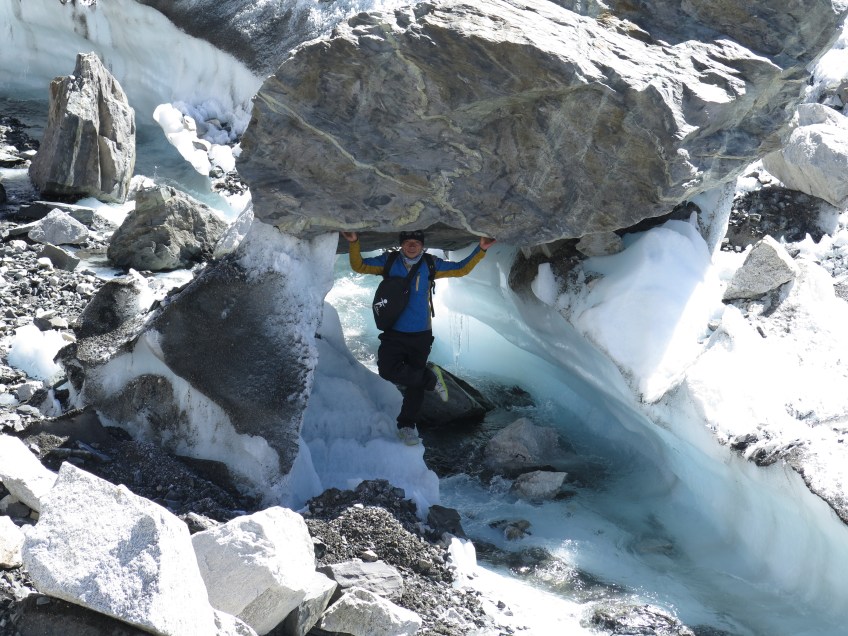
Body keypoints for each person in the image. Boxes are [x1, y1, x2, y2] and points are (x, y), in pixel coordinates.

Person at [341, 230, 496, 445]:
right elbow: (360, 266)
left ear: (422, 246)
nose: (412, 246)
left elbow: (460, 269)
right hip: (394, 333)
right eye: (407, 242)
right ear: (401, 245)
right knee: (387, 370)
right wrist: (354, 243)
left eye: (416, 243)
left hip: (420, 335)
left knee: (415, 386)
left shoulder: (431, 264)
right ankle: (430, 377)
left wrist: (481, 249)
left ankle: (407, 426)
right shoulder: (390, 261)